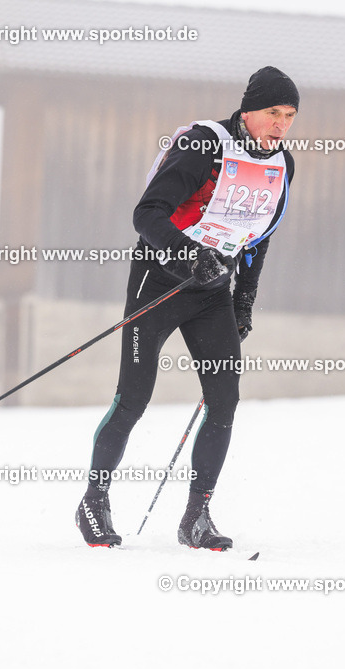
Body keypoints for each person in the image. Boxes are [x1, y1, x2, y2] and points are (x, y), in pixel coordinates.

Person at [75, 66, 299, 550]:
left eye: (290, 115)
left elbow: (259, 235)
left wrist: (244, 298)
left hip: (212, 289)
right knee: (133, 399)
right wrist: (187, 255)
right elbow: (146, 213)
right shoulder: (204, 145)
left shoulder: (283, 164)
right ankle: (94, 501)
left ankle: (197, 516)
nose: (281, 124)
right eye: (272, 112)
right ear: (247, 110)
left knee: (224, 402)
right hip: (159, 280)